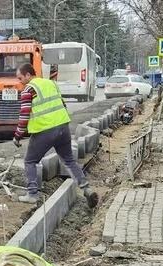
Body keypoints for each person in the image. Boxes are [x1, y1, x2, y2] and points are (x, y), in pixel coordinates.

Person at [12, 63, 98, 208]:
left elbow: (24, 114)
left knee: (30, 161)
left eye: (20, 78)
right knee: (69, 160)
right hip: (63, 127)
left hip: (44, 130)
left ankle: (32, 194)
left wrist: (18, 135)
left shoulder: (29, 89)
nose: (19, 81)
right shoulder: (51, 84)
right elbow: (62, 104)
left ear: (28, 75)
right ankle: (86, 188)